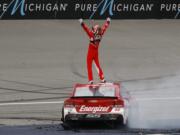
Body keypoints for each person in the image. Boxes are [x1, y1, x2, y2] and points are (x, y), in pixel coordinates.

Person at [79, 18, 111, 84]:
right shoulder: (101, 34)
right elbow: (105, 27)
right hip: (96, 52)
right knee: (97, 65)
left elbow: (86, 29)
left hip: (90, 53)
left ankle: (91, 80)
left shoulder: (91, 35)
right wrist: (108, 22)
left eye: (94, 29)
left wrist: (82, 23)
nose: (93, 29)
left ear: (95, 31)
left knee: (89, 66)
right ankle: (102, 78)